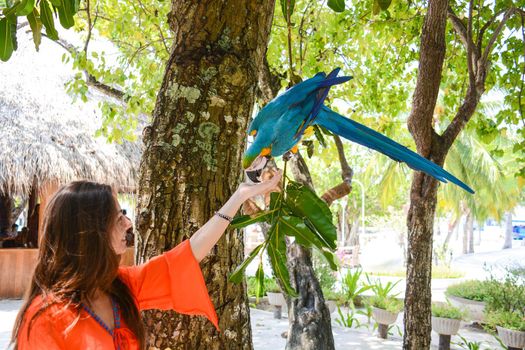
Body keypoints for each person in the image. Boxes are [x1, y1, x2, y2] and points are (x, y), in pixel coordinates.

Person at [11, 172, 282, 350]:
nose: (128, 224)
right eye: (118, 219)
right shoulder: (46, 318)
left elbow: (190, 252)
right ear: (89, 234)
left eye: (124, 214)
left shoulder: (120, 287)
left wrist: (241, 195)